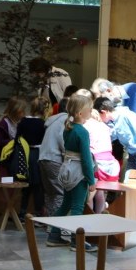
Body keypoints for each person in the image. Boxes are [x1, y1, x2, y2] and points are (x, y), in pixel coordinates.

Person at [46, 93, 97, 252]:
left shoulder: (68, 128)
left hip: (67, 169)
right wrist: (91, 180)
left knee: (65, 204)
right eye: (89, 109)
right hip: (78, 173)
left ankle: (54, 236)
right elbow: (86, 159)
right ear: (80, 113)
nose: (91, 111)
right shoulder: (82, 132)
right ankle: (77, 241)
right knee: (77, 207)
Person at [92, 78, 136, 170]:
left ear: (109, 91)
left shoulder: (135, 90)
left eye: (101, 97)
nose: (101, 101)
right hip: (133, 148)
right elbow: (115, 131)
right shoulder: (115, 109)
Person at [94, 97, 136, 174]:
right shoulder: (112, 122)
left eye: (99, 116)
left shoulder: (127, 115)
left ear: (104, 112)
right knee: (128, 177)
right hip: (132, 153)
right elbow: (112, 136)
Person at [15, 96, 46, 220]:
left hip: (24, 153)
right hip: (38, 154)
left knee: (25, 184)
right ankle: (38, 211)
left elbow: (17, 138)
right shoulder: (43, 123)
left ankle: (22, 211)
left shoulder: (23, 121)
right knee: (38, 185)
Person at [85, 104, 119, 213]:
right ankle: (99, 216)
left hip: (97, 162)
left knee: (90, 194)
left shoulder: (87, 125)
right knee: (100, 193)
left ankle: (88, 217)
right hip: (110, 163)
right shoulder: (104, 127)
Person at [0, 96, 27, 171]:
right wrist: (13, 141)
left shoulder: (19, 122)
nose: (24, 113)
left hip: (16, 158)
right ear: (16, 111)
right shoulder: (4, 123)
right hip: (5, 159)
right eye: (22, 111)